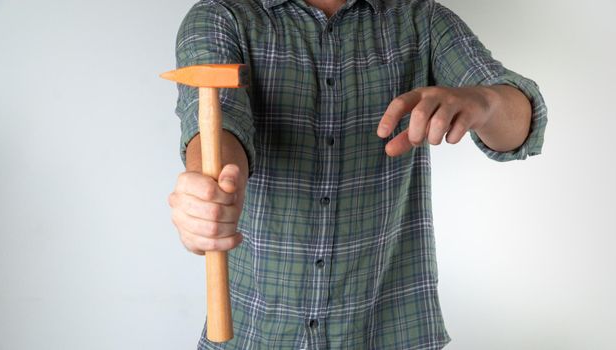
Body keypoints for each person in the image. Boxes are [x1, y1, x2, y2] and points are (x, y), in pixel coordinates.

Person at [166, 0, 547, 348]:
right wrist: (208, 189)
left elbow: (521, 123)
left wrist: (483, 102)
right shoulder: (223, 17)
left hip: (387, 329)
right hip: (256, 332)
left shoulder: (422, 19)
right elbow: (218, 123)